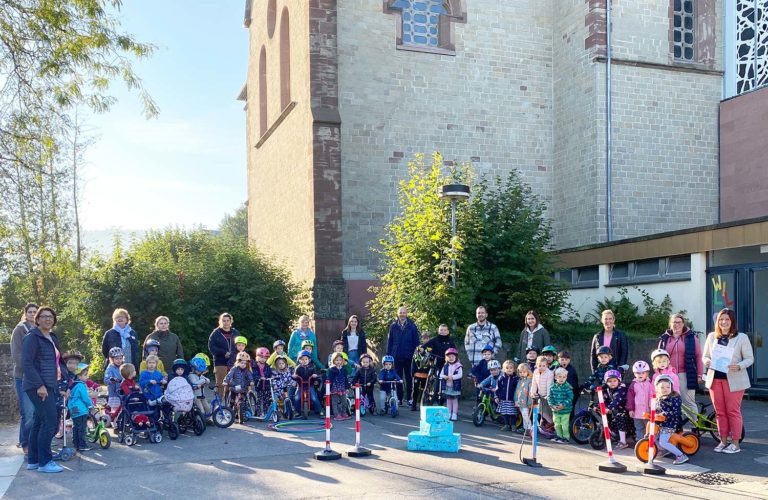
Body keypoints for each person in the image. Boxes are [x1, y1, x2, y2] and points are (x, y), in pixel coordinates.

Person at [21, 306, 67, 473]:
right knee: (50, 423)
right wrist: (39, 385)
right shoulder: (32, 337)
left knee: (40, 422)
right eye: (44, 316)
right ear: (37, 319)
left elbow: (59, 362)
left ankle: (34, 460)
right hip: (38, 386)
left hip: (50, 384)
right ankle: (45, 462)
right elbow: (26, 363)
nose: (48, 319)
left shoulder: (52, 337)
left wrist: (64, 382)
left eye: (51, 317)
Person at [702, 308, 754, 454]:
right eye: (721, 319)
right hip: (715, 380)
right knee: (720, 412)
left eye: (727, 319)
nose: (723, 322)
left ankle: (735, 444)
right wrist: (706, 361)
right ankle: (723, 441)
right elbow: (705, 356)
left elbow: (750, 359)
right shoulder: (712, 337)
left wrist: (739, 366)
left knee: (733, 412)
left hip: (735, 380)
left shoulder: (741, 337)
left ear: (732, 322)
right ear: (717, 322)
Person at [658, 313, 703, 421]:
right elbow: (657, 358)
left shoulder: (691, 338)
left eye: (679, 322)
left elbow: (698, 356)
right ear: (670, 324)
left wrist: (700, 374)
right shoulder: (664, 339)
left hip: (686, 374)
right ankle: (675, 428)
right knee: (669, 401)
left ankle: (695, 426)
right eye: (674, 322)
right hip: (668, 374)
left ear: (683, 324)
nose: (676, 325)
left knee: (688, 401)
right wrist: (658, 373)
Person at [10, 302, 37, 455]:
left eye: (35, 312)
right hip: (23, 376)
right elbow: (16, 354)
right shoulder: (20, 329)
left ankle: (34, 441)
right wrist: (30, 369)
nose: (33, 314)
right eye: (30, 312)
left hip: (38, 377)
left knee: (37, 411)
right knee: (27, 411)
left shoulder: (40, 329)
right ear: (26, 313)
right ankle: (25, 444)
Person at [386, 306, 420, 406]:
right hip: (396, 355)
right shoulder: (393, 326)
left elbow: (416, 341)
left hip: (409, 356)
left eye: (404, 312)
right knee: (398, 378)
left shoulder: (412, 326)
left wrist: (416, 354)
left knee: (409, 378)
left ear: (407, 314)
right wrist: (389, 355)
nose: (402, 314)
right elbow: (390, 341)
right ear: (398, 314)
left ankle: (409, 398)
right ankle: (399, 398)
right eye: (400, 312)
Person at [655, 375, 689, 464]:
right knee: (654, 436)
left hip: (670, 424)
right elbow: (657, 410)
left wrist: (664, 415)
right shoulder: (659, 398)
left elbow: (676, 412)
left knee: (663, 442)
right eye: (662, 387)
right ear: (657, 389)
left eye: (668, 387)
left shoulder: (674, 398)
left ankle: (681, 455)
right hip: (661, 423)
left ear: (671, 387)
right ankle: (664, 450)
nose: (665, 389)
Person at [208, 312, 240, 399]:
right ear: (220, 322)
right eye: (224, 321)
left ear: (231, 321)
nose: (226, 322)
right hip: (220, 362)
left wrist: (234, 354)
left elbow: (240, 346)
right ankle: (220, 407)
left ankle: (231, 405)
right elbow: (211, 347)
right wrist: (223, 352)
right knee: (221, 384)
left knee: (233, 383)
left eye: (228, 321)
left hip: (234, 362)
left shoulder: (235, 332)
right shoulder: (215, 333)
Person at [67, 363, 95, 452]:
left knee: (76, 426)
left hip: (73, 409)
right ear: (79, 376)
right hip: (81, 409)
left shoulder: (73, 385)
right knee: (82, 428)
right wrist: (90, 406)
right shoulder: (81, 385)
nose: (87, 377)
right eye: (85, 375)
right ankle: (82, 445)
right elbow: (85, 397)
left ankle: (76, 444)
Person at [603, 369, 631, 449]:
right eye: (610, 381)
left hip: (624, 410)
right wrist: (597, 405)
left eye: (614, 381)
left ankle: (623, 442)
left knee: (620, 419)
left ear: (619, 380)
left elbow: (616, 401)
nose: (612, 383)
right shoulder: (607, 390)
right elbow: (605, 399)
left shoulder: (621, 389)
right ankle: (615, 436)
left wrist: (609, 408)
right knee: (612, 421)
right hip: (615, 410)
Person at [626, 360, 653, 439]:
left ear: (647, 373)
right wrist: (631, 409)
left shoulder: (650, 383)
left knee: (649, 428)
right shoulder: (633, 384)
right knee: (639, 428)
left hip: (648, 412)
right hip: (637, 412)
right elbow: (630, 398)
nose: (640, 375)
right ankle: (640, 442)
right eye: (638, 373)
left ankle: (649, 442)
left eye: (643, 373)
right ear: (634, 374)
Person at [548, 367, 573, 443]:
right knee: (557, 425)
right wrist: (552, 405)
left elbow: (570, 397)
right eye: (560, 377)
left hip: (565, 410)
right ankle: (559, 436)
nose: (562, 379)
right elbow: (550, 397)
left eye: (564, 377)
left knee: (564, 425)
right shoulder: (552, 387)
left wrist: (563, 405)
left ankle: (566, 438)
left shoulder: (567, 387)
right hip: (555, 410)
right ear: (555, 377)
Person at [293, 350, 322, 415]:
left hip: (310, 385)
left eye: (306, 359)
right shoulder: (298, 368)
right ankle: (297, 411)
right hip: (300, 386)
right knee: (297, 398)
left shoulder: (312, 367)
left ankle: (319, 410)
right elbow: (295, 376)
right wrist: (294, 377)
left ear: (309, 360)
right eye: (302, 359)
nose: (304, 361)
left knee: (314, 398)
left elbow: (316, 375)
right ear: (299, 360)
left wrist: (315, 376)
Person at [410, 332, 432, 411]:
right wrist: (412, 372)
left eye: (427, 338)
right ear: (421, 339)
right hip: (417, 373)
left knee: (425, 390)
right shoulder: (417, 349)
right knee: (415, 390)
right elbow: (413, 360)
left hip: (426, 374)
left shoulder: (431, 349)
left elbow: (432, 361)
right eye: (424, 338)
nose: (425, 339)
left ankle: (423, 405)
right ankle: (414, 404)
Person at [530, 355, 554, 430]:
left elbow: (549, 385)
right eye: (539, 365)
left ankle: (552, 424)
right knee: (541, 410)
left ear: (547, 365)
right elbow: (534, 383)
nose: (541, 367)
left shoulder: (549, 373)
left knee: (549, 411)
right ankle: (551, 423)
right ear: (536, 365)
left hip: (548, 395)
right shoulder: (536, 372)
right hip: (540, 394)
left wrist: (548, 395)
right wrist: (533, 393)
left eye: (544, 366)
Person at [494, 360, 518, 431]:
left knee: (512, 413)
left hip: (512, 400)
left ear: (514, 369)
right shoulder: (501, 378)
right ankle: (506, 425)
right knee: (504, 413)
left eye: (511, 368)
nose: (509, 369)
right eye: (507, 368)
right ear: (504, 369)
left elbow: (518, 389)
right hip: (503, 399)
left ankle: (513, 425)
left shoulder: (515, 378)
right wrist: (496, 396)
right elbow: (497, 388)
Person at [441, 348, 463, 422]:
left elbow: (460, 375)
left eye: (452, 357)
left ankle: (454, 414)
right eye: (449, 357)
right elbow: (441, 374)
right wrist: (445, 377)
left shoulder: (458, 366)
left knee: (454, 400)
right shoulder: (445, 366)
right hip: (447, 386)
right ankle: (449, 413)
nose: (451, 358)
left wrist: (452, 377)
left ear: (456, 357)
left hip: (455, 386)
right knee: (448, 400)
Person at [328, 352, 351, 420]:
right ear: (333, 361)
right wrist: (329, 389)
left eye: (340, 360)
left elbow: (346, 379)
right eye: (337, 360)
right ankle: (336, 414)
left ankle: (343, 413)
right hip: (334, 389)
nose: (338, 362)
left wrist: (347, 388)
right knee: (334, 402)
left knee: (344, 402)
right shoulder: (332, 370)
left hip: (342, 388)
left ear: (342, 361)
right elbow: (329, 380)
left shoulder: (344, 369)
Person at [252, 347, 272, 418]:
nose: (263, 359)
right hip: (258, 386)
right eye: (261, 357)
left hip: (266, 386)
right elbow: (254, 374)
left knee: (266, 401)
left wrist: (272, 377)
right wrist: (259, 377)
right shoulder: (255, 366)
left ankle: (266, 413)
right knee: (258, 400)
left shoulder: (267, 366)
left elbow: (270, 373)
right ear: (257, 357)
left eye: (265, 358)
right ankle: (258, 413)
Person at [557, 351, 579, 416]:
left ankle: (570, 425)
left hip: (571, 394)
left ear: (569, 360)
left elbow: (574, 383)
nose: (564, 361)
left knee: (570, 411)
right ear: (558, 360)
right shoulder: (556, 368)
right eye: (562, 359)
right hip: (560, 394)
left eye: (566, 360)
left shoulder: (571, 370)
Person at [515, 363, 533, 434]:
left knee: (526, 416)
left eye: (524, 372)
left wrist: (529, 402)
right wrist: (516, 400)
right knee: (523, 415)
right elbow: (517, 390)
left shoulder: (530, 381)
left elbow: (530, 393)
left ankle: (529, 429)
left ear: (528, 371)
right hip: (520, 402)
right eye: (520, 372)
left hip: (526, 402)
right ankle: (525, 428)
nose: (522, 373)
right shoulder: (520, 380)